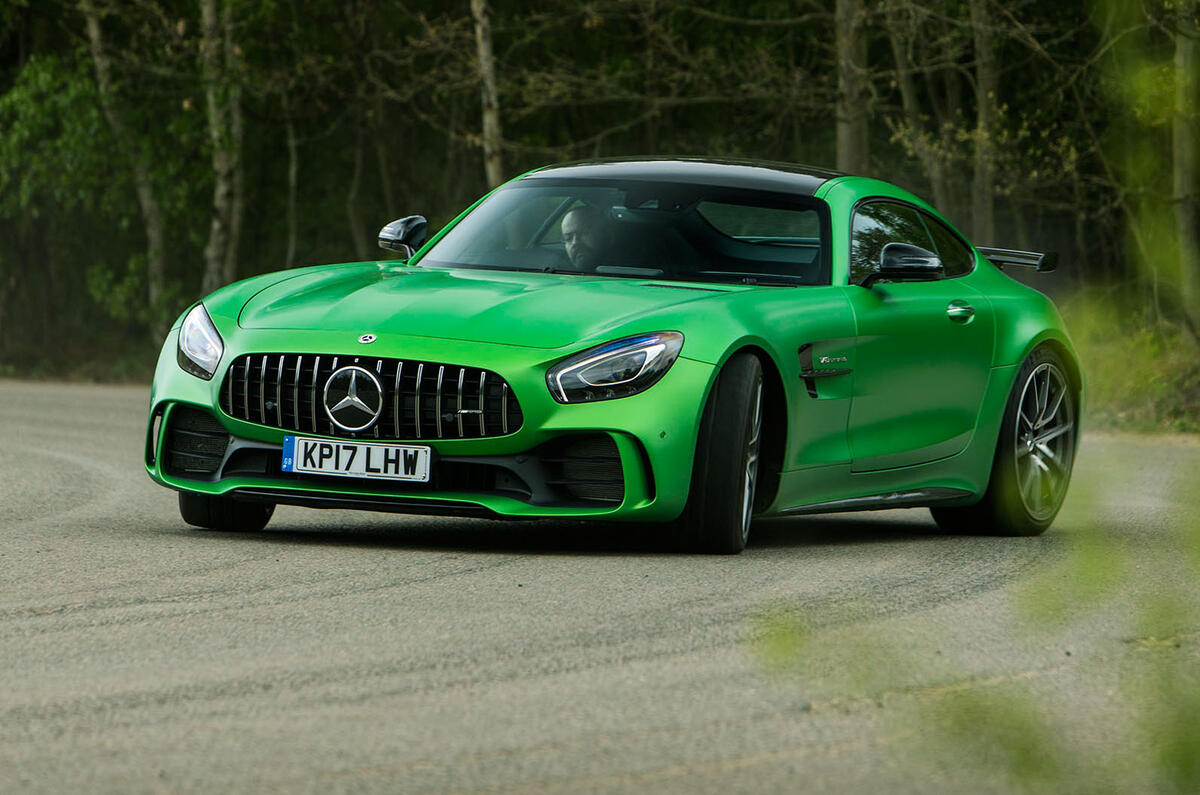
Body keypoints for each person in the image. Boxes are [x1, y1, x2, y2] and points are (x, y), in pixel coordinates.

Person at [560, 204, 611, 271]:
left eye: (584, 233)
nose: (575, 242)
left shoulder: (627, 270)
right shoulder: (558, 273)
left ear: (608, 235)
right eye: (568, 238)